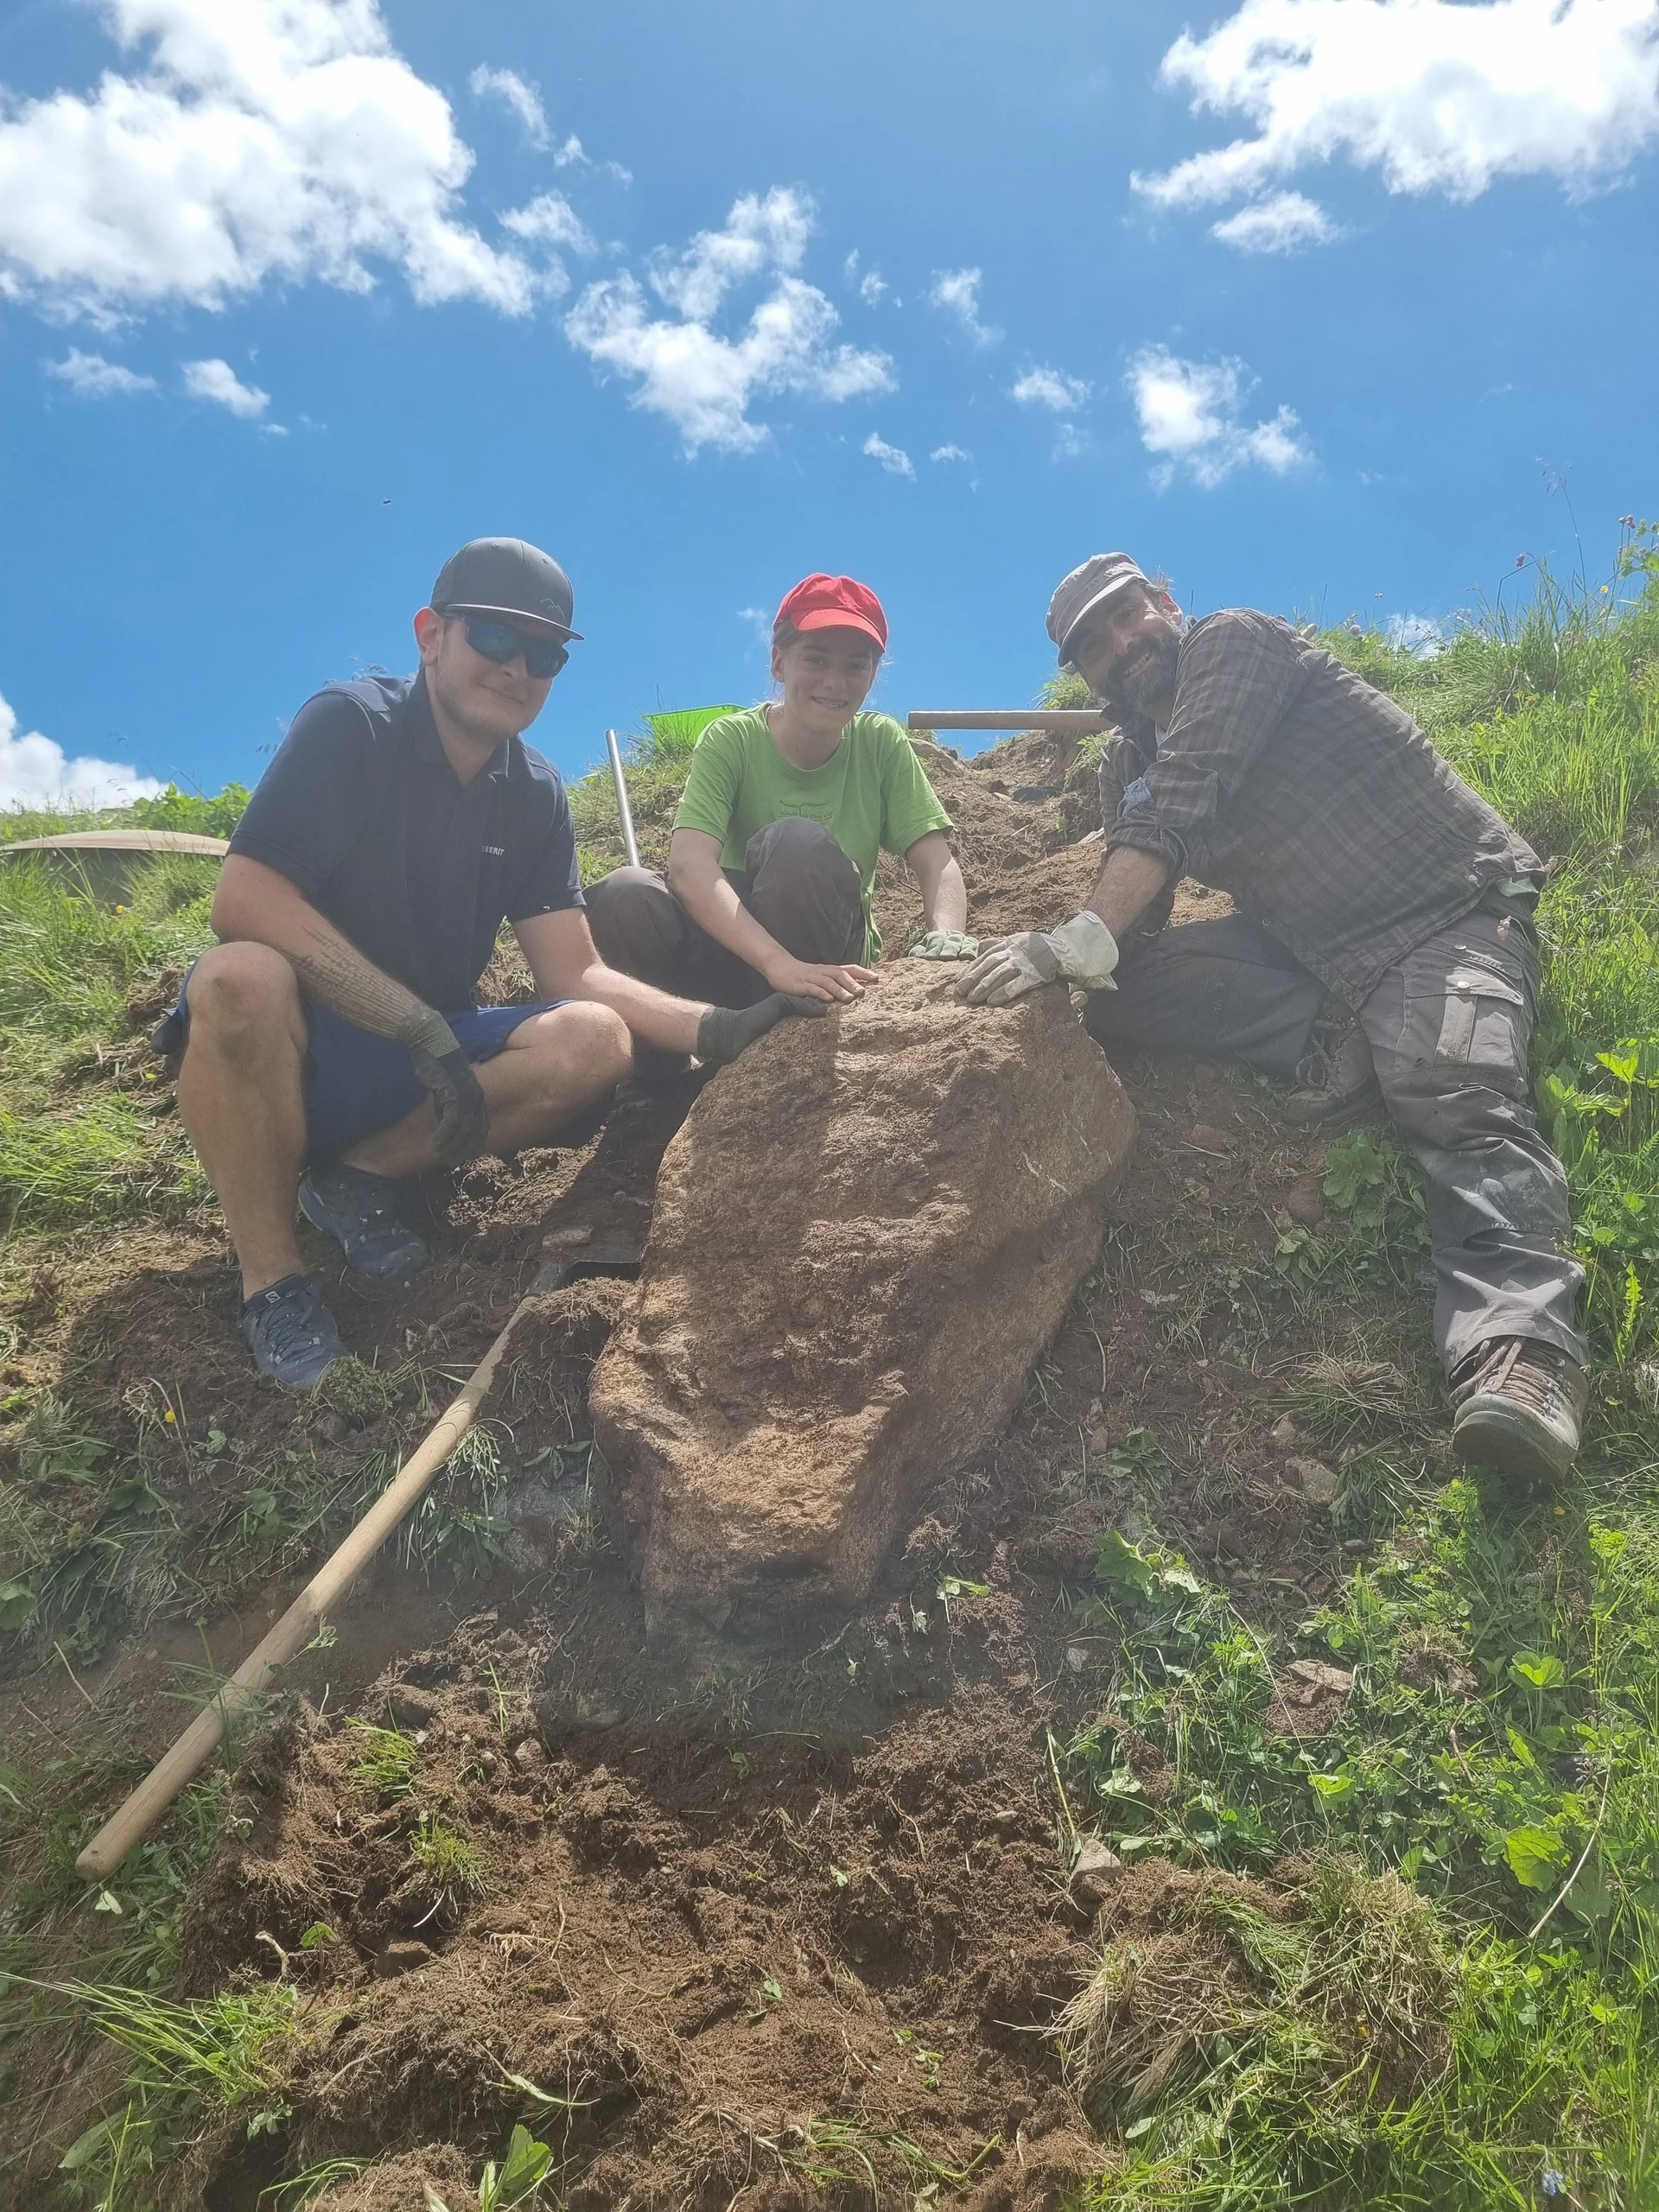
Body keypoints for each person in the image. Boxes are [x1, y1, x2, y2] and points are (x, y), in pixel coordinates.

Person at [957, 550, 1589, 1487]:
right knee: (1124, 987)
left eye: (1130, 617)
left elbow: (1188, 788)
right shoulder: (1130, 759)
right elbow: (1146, 897)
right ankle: (1337, 1034)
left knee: (1450, 1091)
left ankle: (1524, 1360)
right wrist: (1078, 954)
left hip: (1445, 912)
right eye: (1094, 646)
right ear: (1082, 674)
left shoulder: (1236, 642)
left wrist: (1086, 928)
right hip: (1315, 955)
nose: (1122, 647)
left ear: (1167, 602)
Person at [163, 538, 819, 1389]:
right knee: (238, 978)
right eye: (495, 640)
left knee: (595, 1040)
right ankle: (274, 1281)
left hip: (420, 1069)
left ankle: (356, 1179)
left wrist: (718, 1028)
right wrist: (415, 1022)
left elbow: (577, 975)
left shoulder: (535, 792)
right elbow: (244, 901)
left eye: (543, 654)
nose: (518, 669)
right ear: (430, 634)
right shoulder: (351, 724)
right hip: (299, 1054)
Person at [585, 574, 974, 1014]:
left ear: (871, 677)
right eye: (816, 659)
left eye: (855, 665)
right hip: (735, 956)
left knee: (797, 846)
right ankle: (658, 1075)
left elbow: (936, 860)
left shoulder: (879, 742)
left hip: (830, 963)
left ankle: (796, 1035)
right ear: (778, 662)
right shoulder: (732, 739)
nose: (834, 681)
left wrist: (948, 937)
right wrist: (777, 963)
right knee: (625, 894)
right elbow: (688, 864)